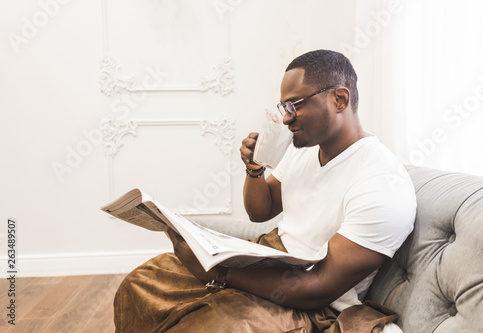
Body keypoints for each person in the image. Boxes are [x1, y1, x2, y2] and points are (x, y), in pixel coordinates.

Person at [113, 49, 417, 332]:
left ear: (339, 99)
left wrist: (220, 276)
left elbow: (320, 287)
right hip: (269, 255)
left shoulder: (383, 185)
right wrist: (254, 168)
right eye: (283, 107)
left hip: (311, 300)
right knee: (140, 283)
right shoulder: (305, 147)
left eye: (295, 105)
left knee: (212, 325)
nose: (286, 118)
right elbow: (261, 210)